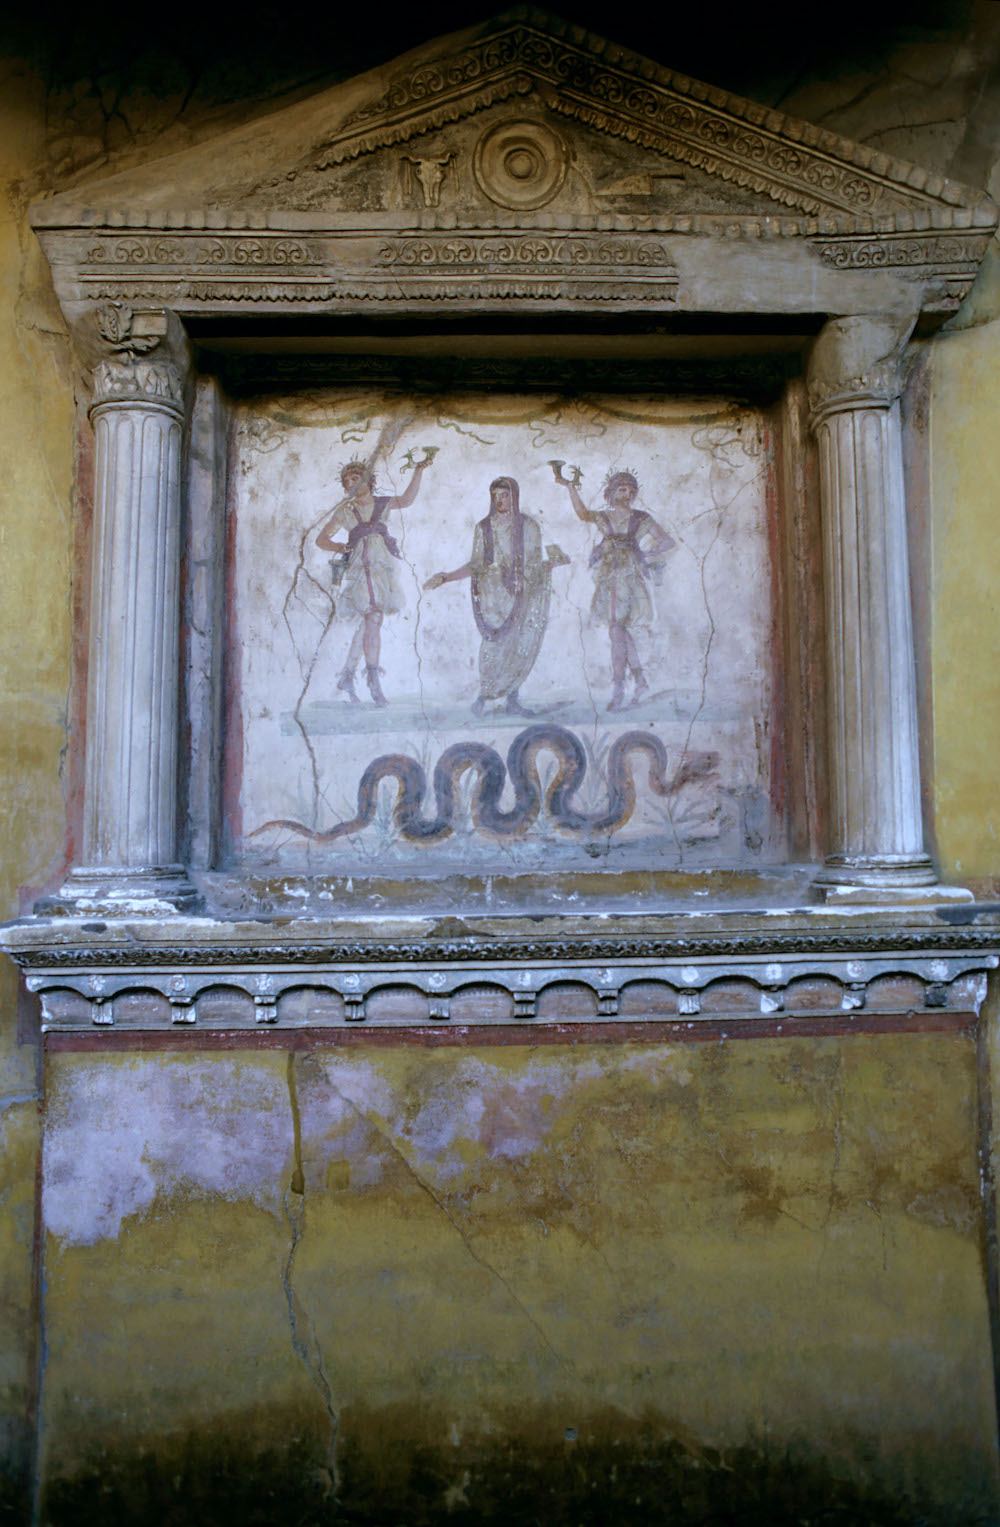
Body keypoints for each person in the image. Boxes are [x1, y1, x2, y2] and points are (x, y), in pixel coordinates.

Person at [424, 475, 561, 716]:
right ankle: (484, 695)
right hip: (492, 594)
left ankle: (512, 699)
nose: (499, 501)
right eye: (495, 496)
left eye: (504, 495)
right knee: (493, 645)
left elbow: (533, 561)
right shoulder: (484, 528)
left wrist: (529, 575)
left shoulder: (528, 526)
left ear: (514, 497)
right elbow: (477, 563)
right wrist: (447, 577)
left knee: (518, 644)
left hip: (520, 593)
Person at [316, 452, 433, 705]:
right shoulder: (346, 511)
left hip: (381, 569)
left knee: (371, 621)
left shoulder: (382, 503)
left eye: (355, 478)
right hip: (361, 569)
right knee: (373, 618)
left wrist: (419, 471)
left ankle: (348, 674)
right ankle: (372, 678)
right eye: (346, 481)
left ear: (368, 480)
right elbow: (321, 539)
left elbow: (407, 499)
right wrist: (339, 548)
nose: (351, 484)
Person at [558, 467, 674, 711]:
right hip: (609, 576)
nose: (627, 493)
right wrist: (569, 487)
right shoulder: (606, 516)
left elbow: (667, 540)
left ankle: (620, 686)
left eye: (630, 489)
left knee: (616, 629)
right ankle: (639, 680)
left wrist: (649, 552)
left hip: (628, 576)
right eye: (622, 488)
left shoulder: (641, 518)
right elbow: (582, 513)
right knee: (617, 630)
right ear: (611, 492)